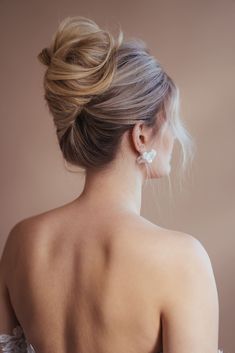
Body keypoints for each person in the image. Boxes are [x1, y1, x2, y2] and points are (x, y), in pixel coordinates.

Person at [0, 16, 223, 353]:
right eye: (170, 121)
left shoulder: (20, 242)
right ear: (141, 135)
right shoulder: (182, 261)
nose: (175, 136)